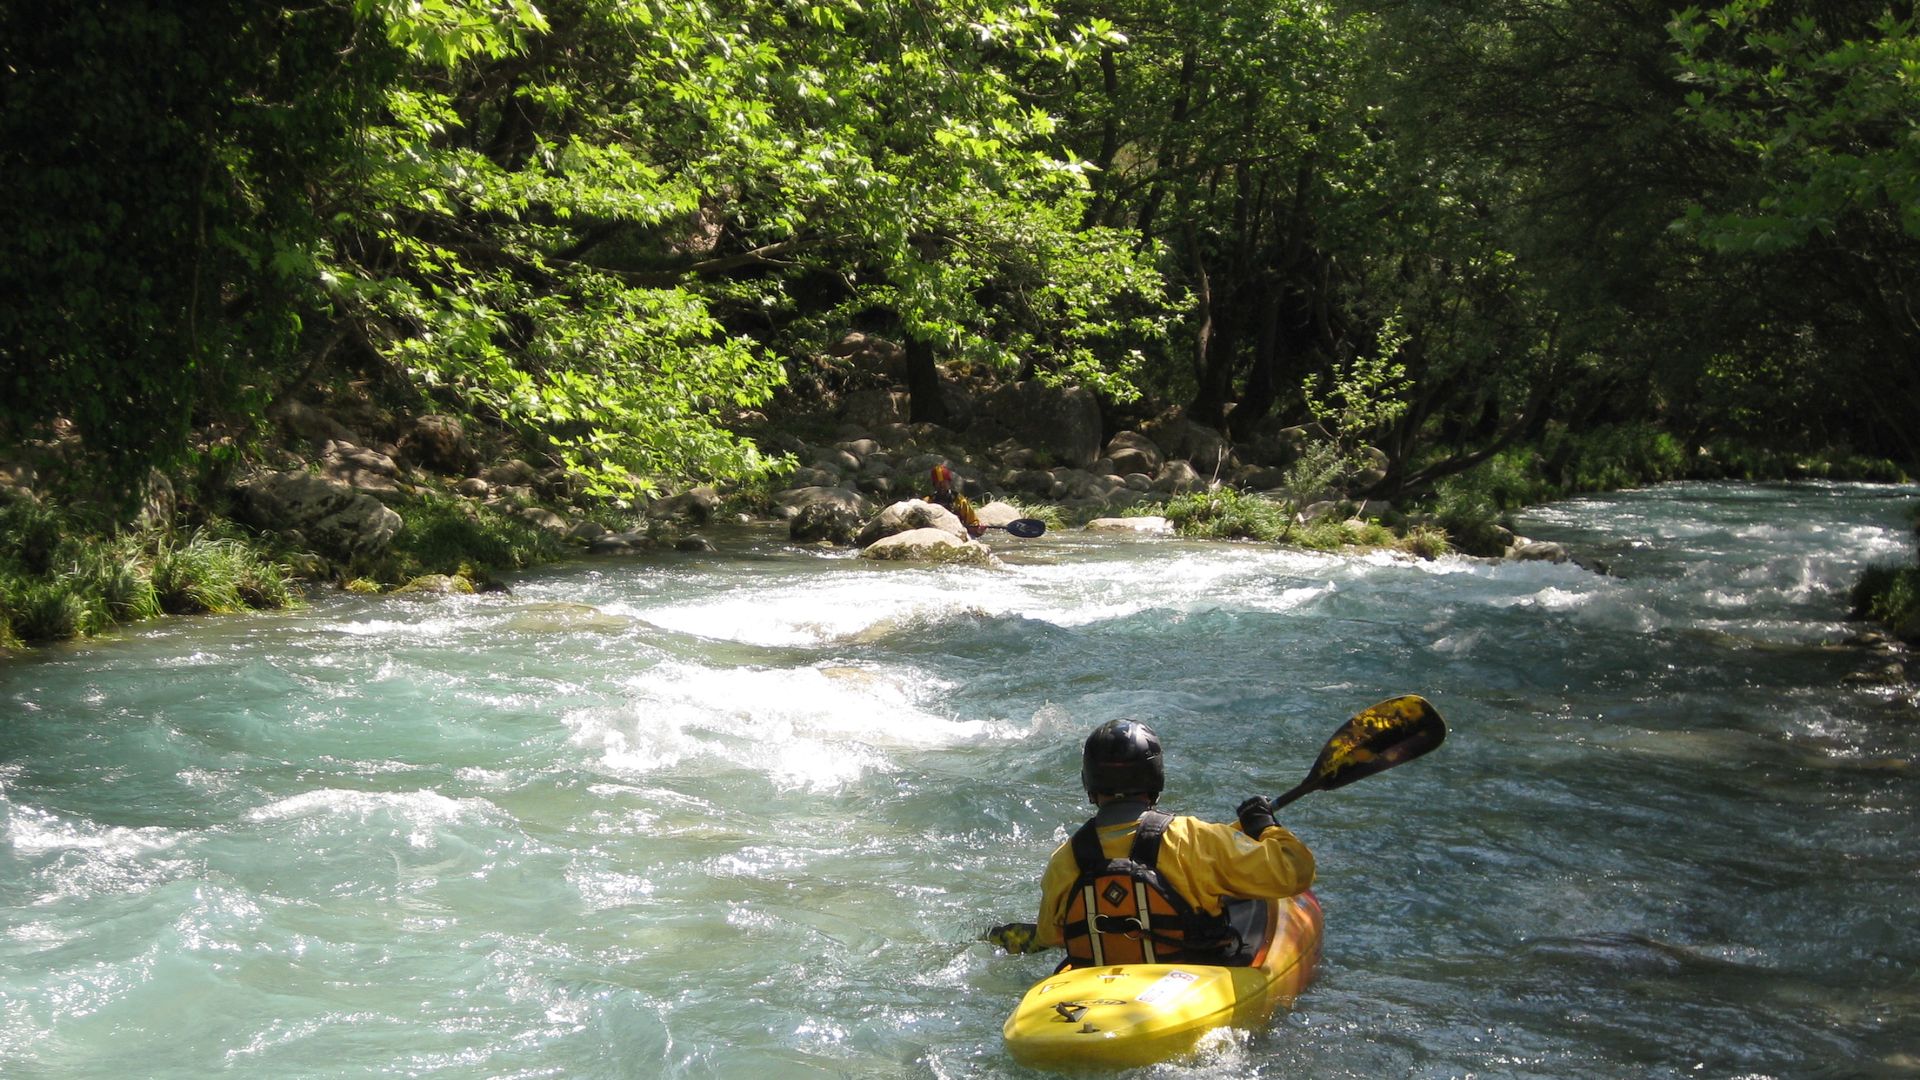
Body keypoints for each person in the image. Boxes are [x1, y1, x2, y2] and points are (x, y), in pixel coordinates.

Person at [986, 719, 1314, 967]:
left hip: (1099, 984)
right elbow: (1294, 873)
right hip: (1188, 979)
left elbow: (1051, 935)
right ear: (1156, 778)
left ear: (1090, 784)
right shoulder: (1197, 838)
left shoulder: (1066, 858)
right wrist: (1266, 827)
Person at [926, 464, 986, 538]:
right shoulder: (928, 502)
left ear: (949, 483)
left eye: (944, 482)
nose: (941, 486)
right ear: (934, 485)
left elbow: (972, 523)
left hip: (956, 535)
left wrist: (978, 530)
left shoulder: (960, 500)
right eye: (938, 483)